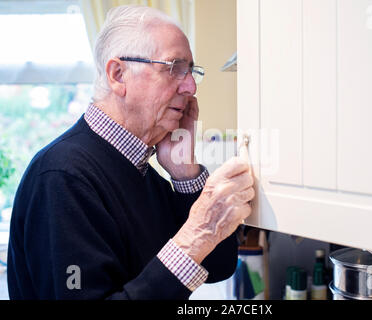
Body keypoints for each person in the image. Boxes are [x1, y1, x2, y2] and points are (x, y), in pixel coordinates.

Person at [7, 5, 254, 299]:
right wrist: (196, 234)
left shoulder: (140, 171)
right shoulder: (63, 177)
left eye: (191, 72)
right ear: (118, 74)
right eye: (175, 68)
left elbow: (219, 265)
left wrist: (185, 171)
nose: (190, 87)